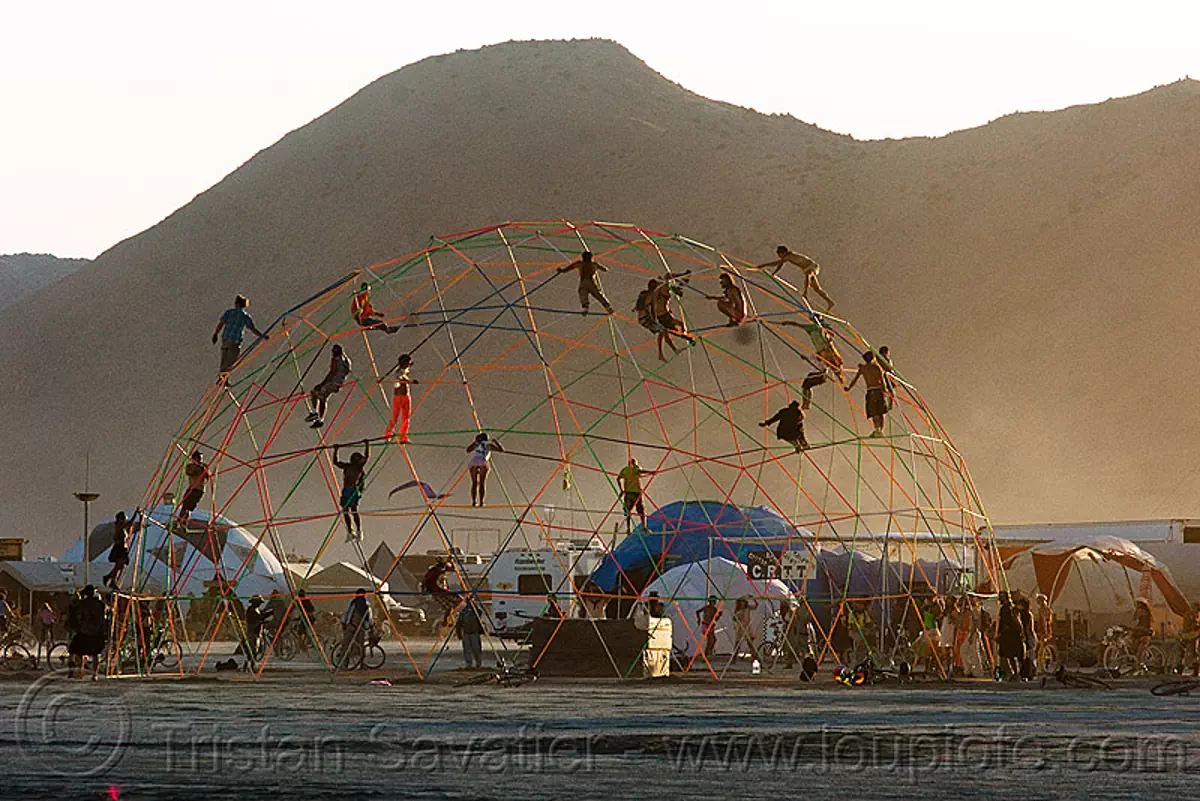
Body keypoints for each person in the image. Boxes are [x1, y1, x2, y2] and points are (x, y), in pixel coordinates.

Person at [778, 318, 845, 409]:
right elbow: (798, 324)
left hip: (821, 370)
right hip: (818, 366)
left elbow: (831, 333)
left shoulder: (823, 329)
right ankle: (806, 404)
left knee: (833, 363)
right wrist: (787, 322)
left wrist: (828, 337)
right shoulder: (816, 350)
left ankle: (841, 378)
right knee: (805, 386)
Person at [756, 245, 835, 310]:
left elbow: (777, 263)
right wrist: (774, 273)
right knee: (817, 289)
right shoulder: (787, 257)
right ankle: (829, 302)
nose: (779, 256)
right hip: (807, 268)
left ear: (783, 253)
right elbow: (779, 265)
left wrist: (764, 265)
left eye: (779, 254)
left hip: (811, 267)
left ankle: (806, 292)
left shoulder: (789, 256)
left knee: (808, 275)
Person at [212, 295, 266, 374]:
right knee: (232, 361)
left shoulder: (229, 312)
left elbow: (221, 324)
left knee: (224, 358)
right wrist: (262, 336)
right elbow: (252, 329)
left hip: (225, 339)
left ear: (236, 303)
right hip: (235, 341)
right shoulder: (245, 316)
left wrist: (215, 334)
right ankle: (223, 376)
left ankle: (222, 376)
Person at [306, 344, 352, 429]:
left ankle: (316, 415)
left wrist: (322, 384)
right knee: (320, 396)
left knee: (317, 394)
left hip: (332, 382)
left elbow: (332, 373)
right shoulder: (347, 360)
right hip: (339, 383)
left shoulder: (336, 359)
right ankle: (318, 418)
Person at [68, 585, 107, 680]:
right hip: (97, 632)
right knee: (95, 654)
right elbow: (103, 618)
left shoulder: (83, 604)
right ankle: (95, 674)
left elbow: (79, 617)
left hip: (85, 631)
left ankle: (80, 672)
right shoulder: (100, 604)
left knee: (78, 652)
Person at [332, 440, 369, 542]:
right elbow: (335, 462)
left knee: (353, 511)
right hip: (346, 490)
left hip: (353, 490)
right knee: (345, 511)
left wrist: (367, 445)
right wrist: (336, 450)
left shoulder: (359, 468)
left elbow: (367, 457)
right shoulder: (347, 466)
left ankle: (358, 531)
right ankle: (350, 531)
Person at [846, 351, 889, 438]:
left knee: (874, 412)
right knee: (880, 411)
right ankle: (880, 430)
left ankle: (878, 430)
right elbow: (882, 380)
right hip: (878, 390)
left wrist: (849, 388)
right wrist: (885, 390)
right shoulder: (877, 367)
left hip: (871, 391)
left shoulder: (863, 368)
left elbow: (855, 380)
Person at [102, 507, 142, 589]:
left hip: (122, 548)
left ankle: (111, 577)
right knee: (119, 565)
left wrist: (139, 516)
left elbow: (131, 524)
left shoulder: (122, 527)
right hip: (119, 548)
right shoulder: (119, 526)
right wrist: (136, 514)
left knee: (120, 566)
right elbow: (130, 523)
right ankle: (111, 578)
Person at [383, 353, 417, 444]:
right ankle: (387, 436)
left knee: (406, 418)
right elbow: (400, 377)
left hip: (406, 397)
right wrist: (410, 381)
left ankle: (403, 437)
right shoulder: (397, 373)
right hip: (398, 397)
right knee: (395, 417)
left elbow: (405, 373)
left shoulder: (405, 370)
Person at [465, 433, 504, 507]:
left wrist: (475, 443)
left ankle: (474, 501)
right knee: (482, 483)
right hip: (483, 461)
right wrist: (496, 442)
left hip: (474, 462)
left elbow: (468, 450)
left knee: (474, 483)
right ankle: (481, 502)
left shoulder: (476, 444)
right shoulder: (488, 445)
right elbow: (501, 450)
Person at [338, 589, 373, 669]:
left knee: (359, 646)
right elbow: (348, 613)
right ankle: (344, 663)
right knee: (347, 645)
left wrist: (368, 625)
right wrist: (345, 623)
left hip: (359, 627)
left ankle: (360, 663)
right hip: (352, 626)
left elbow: (368, 618)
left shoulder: (365, 605)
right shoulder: (354, 603)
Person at [176, 451, 210, 531]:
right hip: (191, 488)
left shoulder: (204, 466)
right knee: (185, 506)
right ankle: (179, 522)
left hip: (198, 490)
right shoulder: (190, 466)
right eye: (198, 458)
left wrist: (202, 468)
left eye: (200, 458)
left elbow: (206, 476)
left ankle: (183, 523)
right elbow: (190, 472)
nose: (200, 460)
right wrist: (198, 467)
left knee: (189, 507)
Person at [617, 458, 654, 529]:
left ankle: (628, 528)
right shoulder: (635, 468)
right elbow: (640, 471)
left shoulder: (624, 470)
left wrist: (621, 490)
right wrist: (650, 472)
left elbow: (618, 479)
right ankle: (644, 527)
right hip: (636, 493)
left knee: (628, 511)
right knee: (641, 511)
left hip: (628, 493)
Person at [422, 557, 457, 629]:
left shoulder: (442, 569)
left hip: (441, 590)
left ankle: (447, 620)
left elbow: (453, 569)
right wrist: (424, 590)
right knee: (451, 604)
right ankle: (446, 621)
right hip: (436, 591)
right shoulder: (434, 570)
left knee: (453, 604)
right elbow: (425, 580)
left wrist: (451, 561)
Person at [996, 593, 1025, 680]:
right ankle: (1014, 673)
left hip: (1009, 634)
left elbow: (1009, 622)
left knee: (1008, 655)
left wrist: (1000, 634)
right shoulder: (1012, 607)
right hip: (1012, 634)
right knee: (1010, 655)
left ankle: (1011, 673)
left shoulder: (1006, 609)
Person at [456, 600, 484, 668]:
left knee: (476, 649)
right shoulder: (463, 612)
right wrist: (459, 634)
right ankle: (469, 664)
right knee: (467, 649)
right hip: (466, 633)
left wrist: (474, 605)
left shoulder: (475, 611)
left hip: (474, 633)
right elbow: (459, 623)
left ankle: (478, 663)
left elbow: (480, 613)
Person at [34, 602, 56, 669]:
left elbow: (38, 619)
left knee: (42, 639)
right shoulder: (50, 611)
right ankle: (52, 641)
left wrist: (38, 621)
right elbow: (54, 618)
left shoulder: (41, 611)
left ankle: (39, 654)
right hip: (50, 625)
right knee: (50, 634)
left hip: (44, 625)